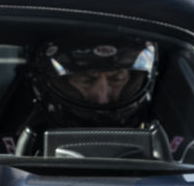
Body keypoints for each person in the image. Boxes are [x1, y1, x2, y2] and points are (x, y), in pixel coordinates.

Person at [13, 33, 164, 157]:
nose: (102, 98)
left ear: (134, 80)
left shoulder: (164, 135)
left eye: (117, 79)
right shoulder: (17, 138)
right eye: (86, 80)